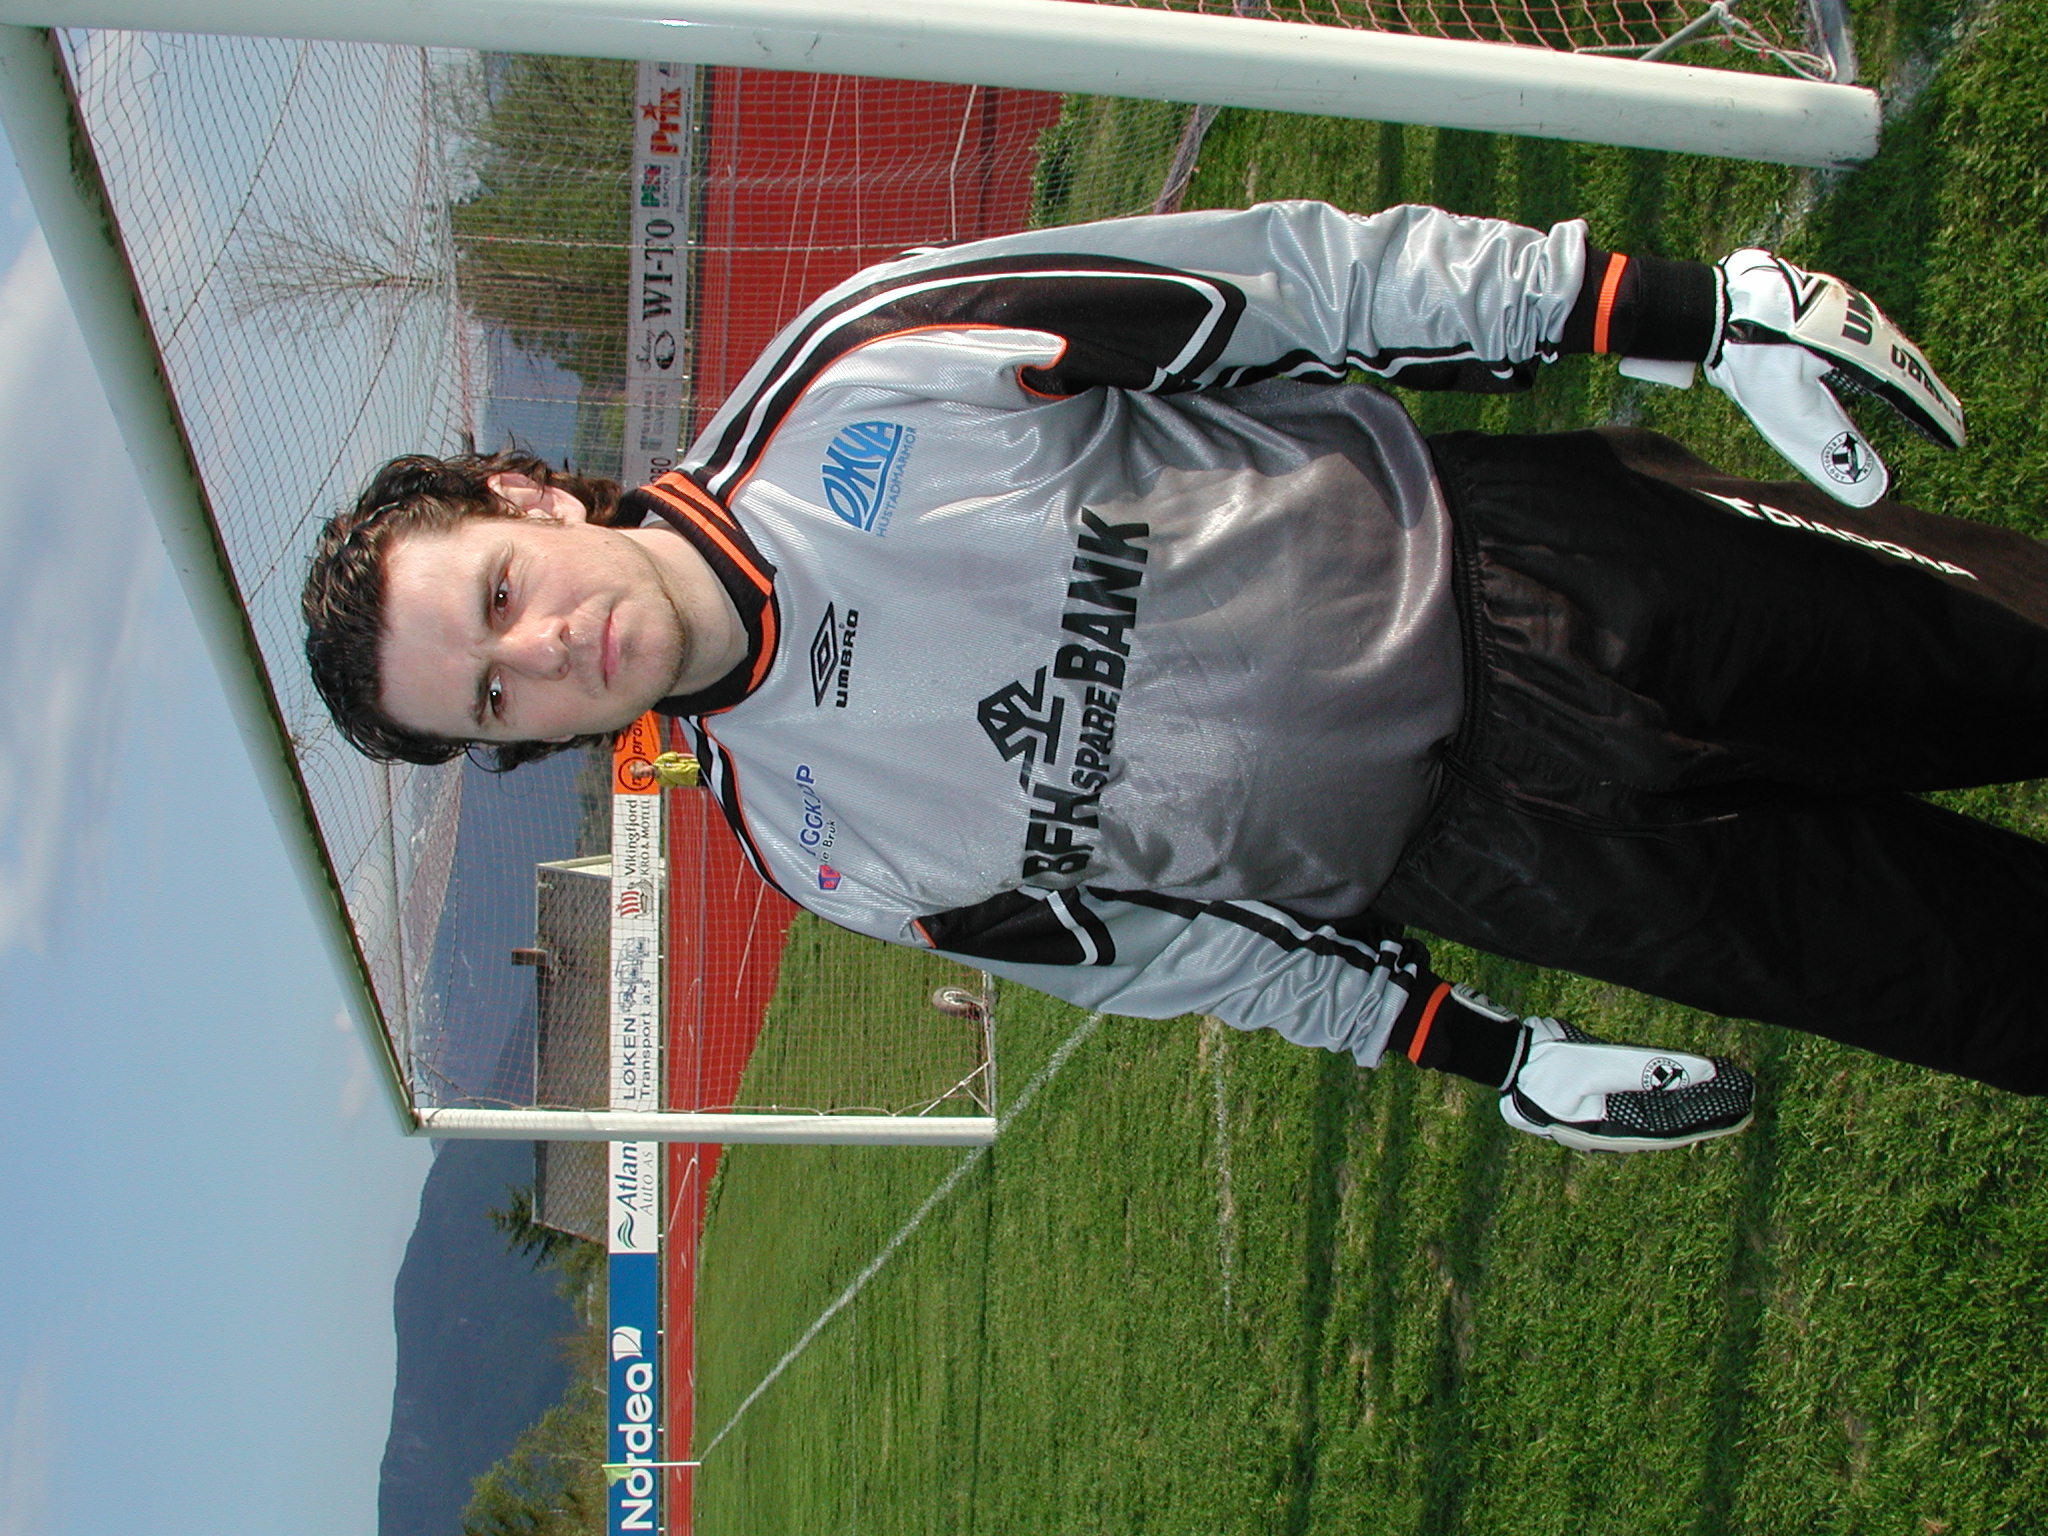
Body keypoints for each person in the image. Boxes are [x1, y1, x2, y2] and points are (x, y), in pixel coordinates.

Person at [304, 200, 2043, 1154]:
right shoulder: (827, 855)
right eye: (493, 697)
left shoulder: (861, 368)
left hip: (1562, 582)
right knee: (1989, 990)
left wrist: (1669, 311)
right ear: (523, 742)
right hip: (1520, 871)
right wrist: (1479, 1052)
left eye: (501, 594)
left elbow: (1287, 285)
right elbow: (1181, 955)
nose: (543, 651)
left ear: (528, 496)